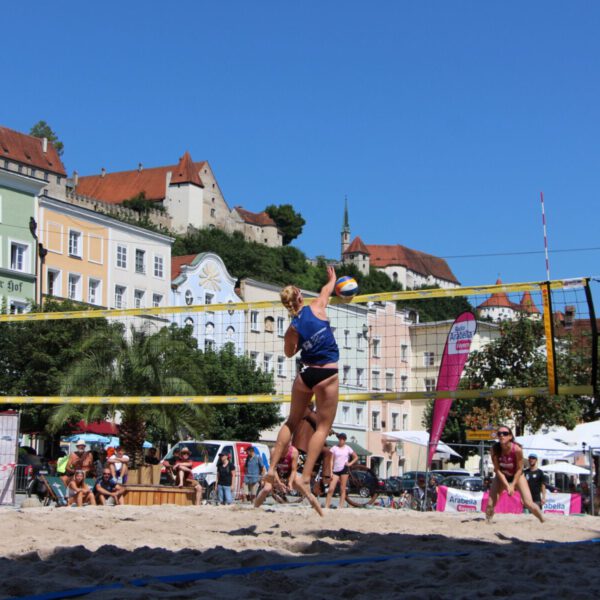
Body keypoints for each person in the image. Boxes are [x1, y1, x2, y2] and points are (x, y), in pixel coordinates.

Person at [265, 266, 339, 516]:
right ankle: (305, 477)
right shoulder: (317, 306)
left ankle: (271, 470)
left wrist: (301, 343)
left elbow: (288, 352)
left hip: (305, 373)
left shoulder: (292, 327)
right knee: (323, 428)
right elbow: (327, 289)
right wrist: (333, 279)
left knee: (292, 421)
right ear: (299, 296)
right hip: (327, 373)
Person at [486, 426, 544, 523]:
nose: (501, 435)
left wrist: (512, 485)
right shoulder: (494, 449)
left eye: (504, 433)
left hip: (517, 475)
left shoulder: (517, 449)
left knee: (528, 503)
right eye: (499, 433)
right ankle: (487, 522)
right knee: (490, 503)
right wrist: (507, 485)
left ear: (510, 436)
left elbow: (519, 469)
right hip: (502, 475)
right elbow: (497, 469)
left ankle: (542, 519)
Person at [325, 433, 357, 509]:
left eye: (343, 439)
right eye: (340, 439)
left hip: (344, 469)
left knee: (342, 489)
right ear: (338, 439)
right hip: (335, 470)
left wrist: (350, 463)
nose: (341, 440)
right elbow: (331, 460)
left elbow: (356, 457)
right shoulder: (334, 448)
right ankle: (327, 505)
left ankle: (341, 506)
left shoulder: (347, 448)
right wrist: (331, 471)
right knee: (331, 488)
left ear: (345, 440)